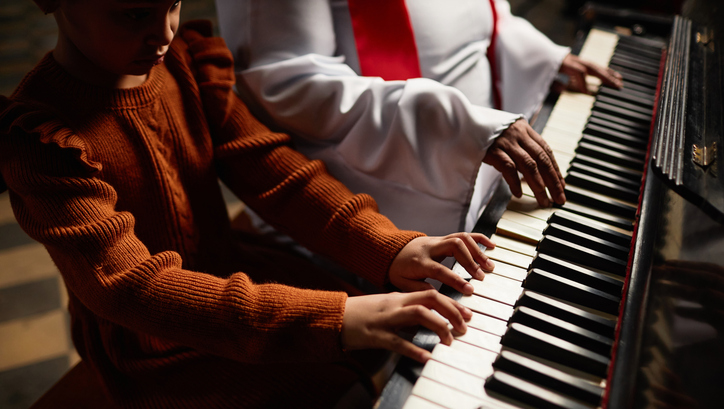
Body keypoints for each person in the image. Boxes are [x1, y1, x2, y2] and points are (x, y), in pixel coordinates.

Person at [0, 0, 497, 409]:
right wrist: (337, 319)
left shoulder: (181, 64)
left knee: (374, 339)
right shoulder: (42, 138)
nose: (163, 32)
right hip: (154, 349)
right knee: (332, 389)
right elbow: (131, 288)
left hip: (229, 273)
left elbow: (274, 174)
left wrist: (388, 247)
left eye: (171, 4)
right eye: (133, 13)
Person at [215, 0, 624, 236]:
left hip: (492, 161)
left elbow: (475, 26)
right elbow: (286, 85)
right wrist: (455, 127)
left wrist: (542, 58)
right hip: (369, 203)